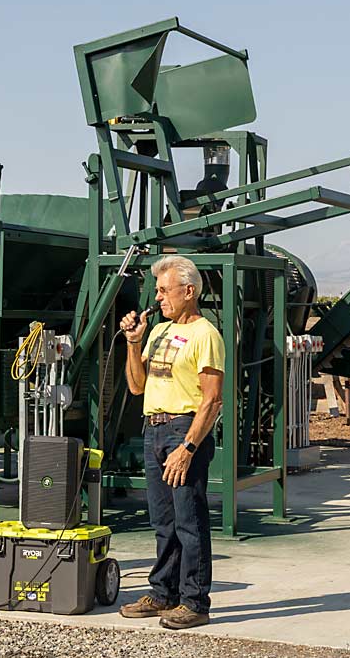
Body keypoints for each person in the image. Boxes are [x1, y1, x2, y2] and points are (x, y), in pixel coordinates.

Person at [117, 255, 224, 630]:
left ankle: (195, 601)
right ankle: (164, 593)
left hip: (183, 429)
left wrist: (189, 447)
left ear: (189, 291)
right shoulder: (159, 331)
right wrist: (134, 342)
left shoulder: (205, 334)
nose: (159, 298)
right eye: (158, 291)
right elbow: (136, 385)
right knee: (163, 520)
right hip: (154, 429)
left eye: (165, 290)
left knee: (189, 521)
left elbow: (212, 400)